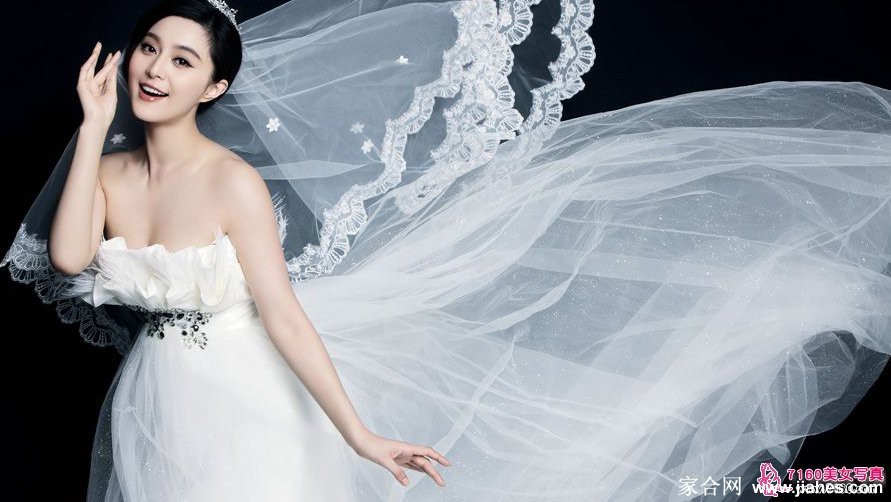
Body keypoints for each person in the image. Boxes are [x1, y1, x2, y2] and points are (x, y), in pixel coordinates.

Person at [2, 0, 889, 501]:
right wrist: (92, 126)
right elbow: (73, 258)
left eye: (182, 61)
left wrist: (359, 435)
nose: (155, 70)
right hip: (158, 398)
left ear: (216, 85)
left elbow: (284, 317)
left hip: (254, 394)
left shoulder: (232, 181)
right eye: (149, 50)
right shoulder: (107, 169)